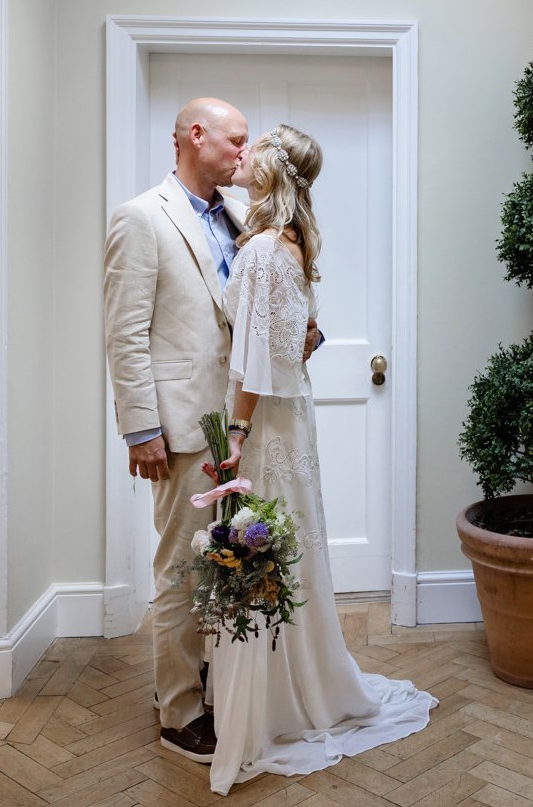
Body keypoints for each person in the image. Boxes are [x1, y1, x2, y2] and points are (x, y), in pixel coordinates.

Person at [206, 124, 435, 794]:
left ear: (272, 173)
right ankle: (288, 682)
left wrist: (235, 435)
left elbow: (255, 360)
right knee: (285, 552)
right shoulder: (290, 245)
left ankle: (274, 706)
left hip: (264, 426)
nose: (241, 155)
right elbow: (298, 336)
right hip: (288, 420)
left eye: (253, 150)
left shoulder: (262, 254)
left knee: (260, 551)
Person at [103, 98, 251, 763]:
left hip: (232, 427)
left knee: (226, 562)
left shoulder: (238, 218)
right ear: (197, 135)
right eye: (236, 141)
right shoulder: (141, 217)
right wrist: (141, 430)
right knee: (182, 570)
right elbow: (125, 333)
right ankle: (178, 713)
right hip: (181, 425)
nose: (244, 155)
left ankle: (207, 685)